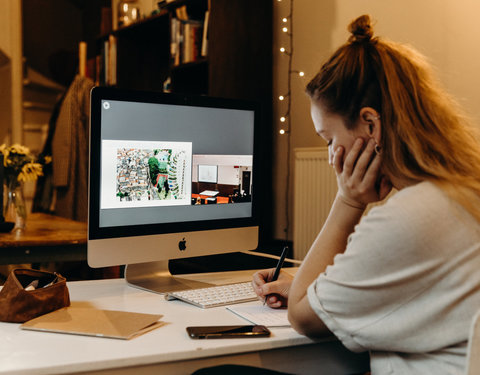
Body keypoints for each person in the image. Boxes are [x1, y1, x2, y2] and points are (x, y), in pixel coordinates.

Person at [194, 14, 480, 375]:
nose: (331, 157)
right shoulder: (461, 193)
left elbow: (301, 315)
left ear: (371, 125)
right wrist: (302, 283)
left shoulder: (411, 216)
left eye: (329, 139)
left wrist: (348, 201)